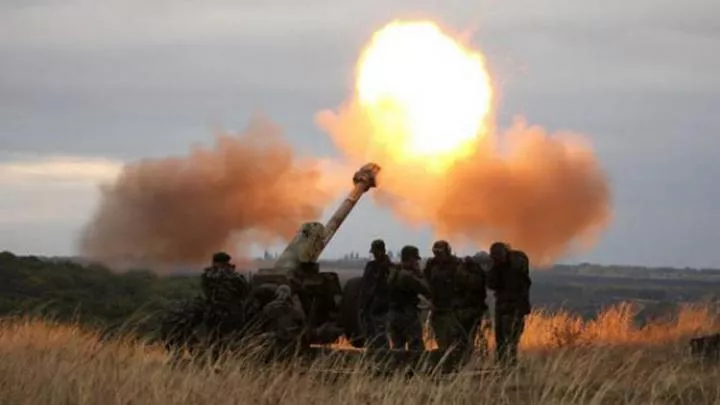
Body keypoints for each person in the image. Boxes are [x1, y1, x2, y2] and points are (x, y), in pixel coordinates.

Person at [487, 242, 531, 366]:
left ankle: (510, 365)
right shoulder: (497, 268)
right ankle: (501, 365)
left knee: (511, 340)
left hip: (515, 306)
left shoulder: (516, 261)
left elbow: (520, 269)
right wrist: (493, 267)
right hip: (502, 306)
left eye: (498, 255)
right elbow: (491, 284)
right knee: (500, 339)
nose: (497, 258)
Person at [387, 245, 432, 351]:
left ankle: (398, 367)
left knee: (397, 348)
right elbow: (426, 290)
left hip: (393, 315)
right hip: (407, 316)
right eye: (415, 260)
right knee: (416, 348)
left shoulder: (393, 273)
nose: (417, 262)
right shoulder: (407, 276)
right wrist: (419, 274)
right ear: (411, 259)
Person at [423, 240, 464, 353]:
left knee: (456, 341)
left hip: (453, 310)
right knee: (441, 341)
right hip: (438, 309)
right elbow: (425, 283)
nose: (437, 256)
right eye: (435, 253)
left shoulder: (456, 265)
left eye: (440, 253)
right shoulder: (431, 266)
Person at [358, 239, 395, 348]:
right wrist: (362, 304)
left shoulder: (389, 267)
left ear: (382, 251)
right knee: (370, 334)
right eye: (373, 252)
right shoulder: (371, 266)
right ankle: (372, 357)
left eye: (376, 252)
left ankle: (384, 356)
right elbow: (365, 285)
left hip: (382, 306)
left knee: (380, 334)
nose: (374, 255)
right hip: (369, 305)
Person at [453, 252, 489, 360]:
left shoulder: (476, 275)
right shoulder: (475, 274)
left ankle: (465, 360)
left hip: (469, 311)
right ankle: (463, 360)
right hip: (466, 311)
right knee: (463, 340)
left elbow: (473, 283)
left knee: (467, 339)